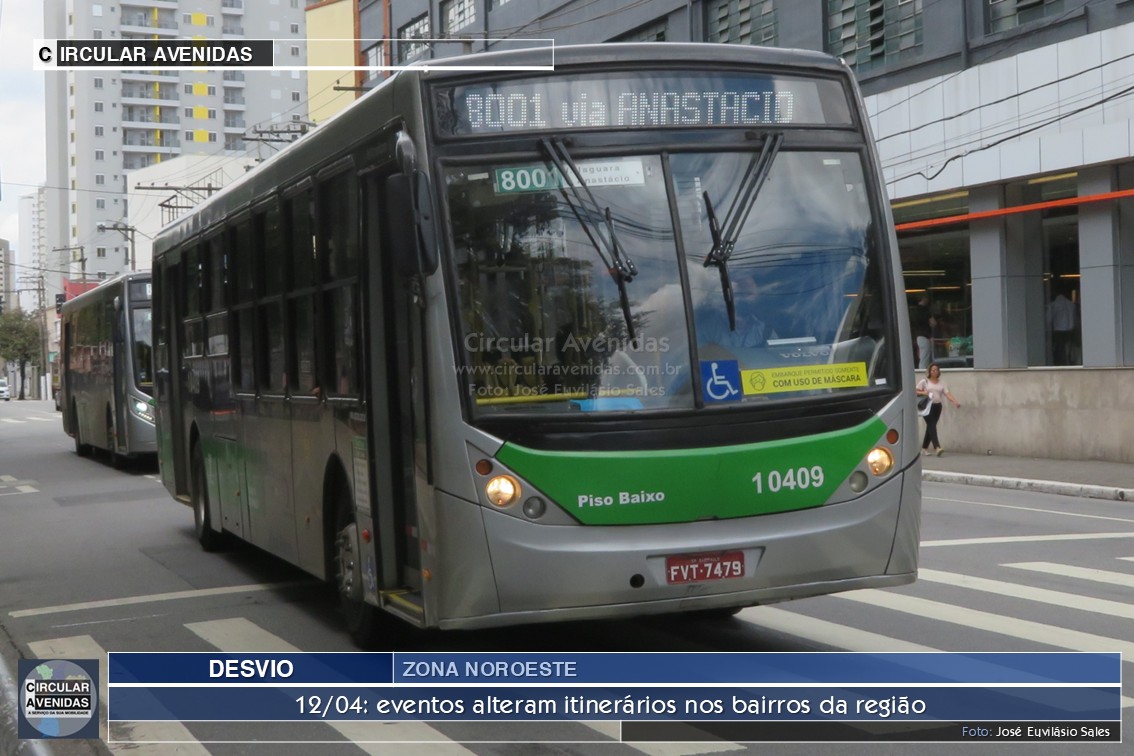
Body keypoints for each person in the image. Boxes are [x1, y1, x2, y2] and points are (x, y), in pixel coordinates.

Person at [916, 363, 960, 456]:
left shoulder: (942, 383)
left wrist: (954, 401)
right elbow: (915, 391)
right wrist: (924, 392)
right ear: (929, 371)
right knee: (932, 425)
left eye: (936, 370)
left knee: (930, 427)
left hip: (937, 406)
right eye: (932, 370)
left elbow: (947, 393)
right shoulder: (924, 381)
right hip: (927, 406)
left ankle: (924, 448)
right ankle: (937, 447)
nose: (934, 372)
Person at [1047, 285, 1077, 366]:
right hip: (1070, 331)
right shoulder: (1071, 304)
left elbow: (1048, 319)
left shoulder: (1053, 305)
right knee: (1069, 350)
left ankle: (1061, 363)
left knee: (1060, 351)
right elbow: (1075, 319)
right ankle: (1069, 362)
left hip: (1059, 331)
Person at [910, 295, 937, 369]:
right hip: (925, 336)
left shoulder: (913, 311)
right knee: (925, 357)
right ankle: (923, 371)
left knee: (923, 356)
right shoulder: (925, 310)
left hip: (918, 336)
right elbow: (933, 323)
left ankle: (925, 370)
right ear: (924, 299)